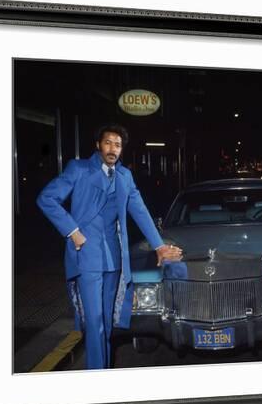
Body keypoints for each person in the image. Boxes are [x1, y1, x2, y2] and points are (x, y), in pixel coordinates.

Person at [37, 124, 182, 369]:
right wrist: (72, 231)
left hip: (115, 259)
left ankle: (102, 371)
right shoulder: (79, 169)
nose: (113, 148)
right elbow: (46, 198)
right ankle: (97, 375)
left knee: (106, 321)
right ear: (98, 145)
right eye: (108, 143)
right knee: (94, 322)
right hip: (86, 257)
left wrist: (159, 246)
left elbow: (141, 211)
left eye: (117, 144)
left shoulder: (125, 176)